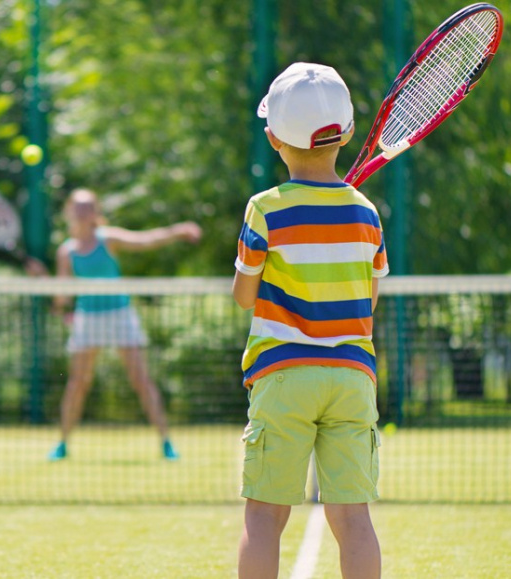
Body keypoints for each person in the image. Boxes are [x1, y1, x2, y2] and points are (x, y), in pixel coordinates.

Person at [232, 62, 388, 579]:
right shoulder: (366, 213)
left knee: (264, 516)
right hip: (350, 378)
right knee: (353, 518)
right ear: (344, 133)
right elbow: (367, 304)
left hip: (283, 376)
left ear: (273, 136)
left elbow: (243, 296)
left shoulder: (264, 209)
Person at [44, 188, 201, 462]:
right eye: (77, 208)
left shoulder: (108, 239)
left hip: (120, 315)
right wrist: (46, 286)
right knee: (77, 383)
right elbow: (63, 298)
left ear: (95, 213)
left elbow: (147, 240)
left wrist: (177, 231)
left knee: (140, 379)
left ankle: (166, 442)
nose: (81, 213)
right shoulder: (66, 252)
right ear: (69, 212)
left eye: (87, 207)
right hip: (88, 318)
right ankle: (62, 444)